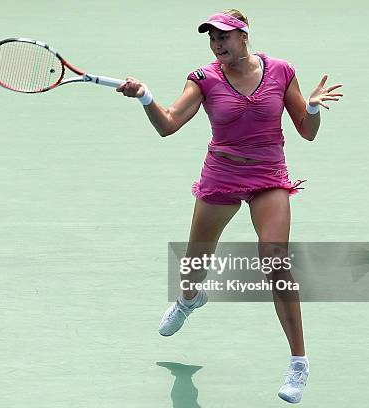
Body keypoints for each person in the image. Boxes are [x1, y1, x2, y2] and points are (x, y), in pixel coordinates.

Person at [116, 9, 343, 404]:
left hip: (268, 175)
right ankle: (190, 299)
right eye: (212, 39)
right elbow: (168, 124)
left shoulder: (281, 71)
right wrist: (146, 97)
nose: (217, 45)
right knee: (193, 265)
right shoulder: (203, 79)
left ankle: (298, 363)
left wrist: (312, 108)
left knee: (275, 258)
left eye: (224, 37)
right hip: (221, 174)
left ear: (243, 35)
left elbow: (307, 133)